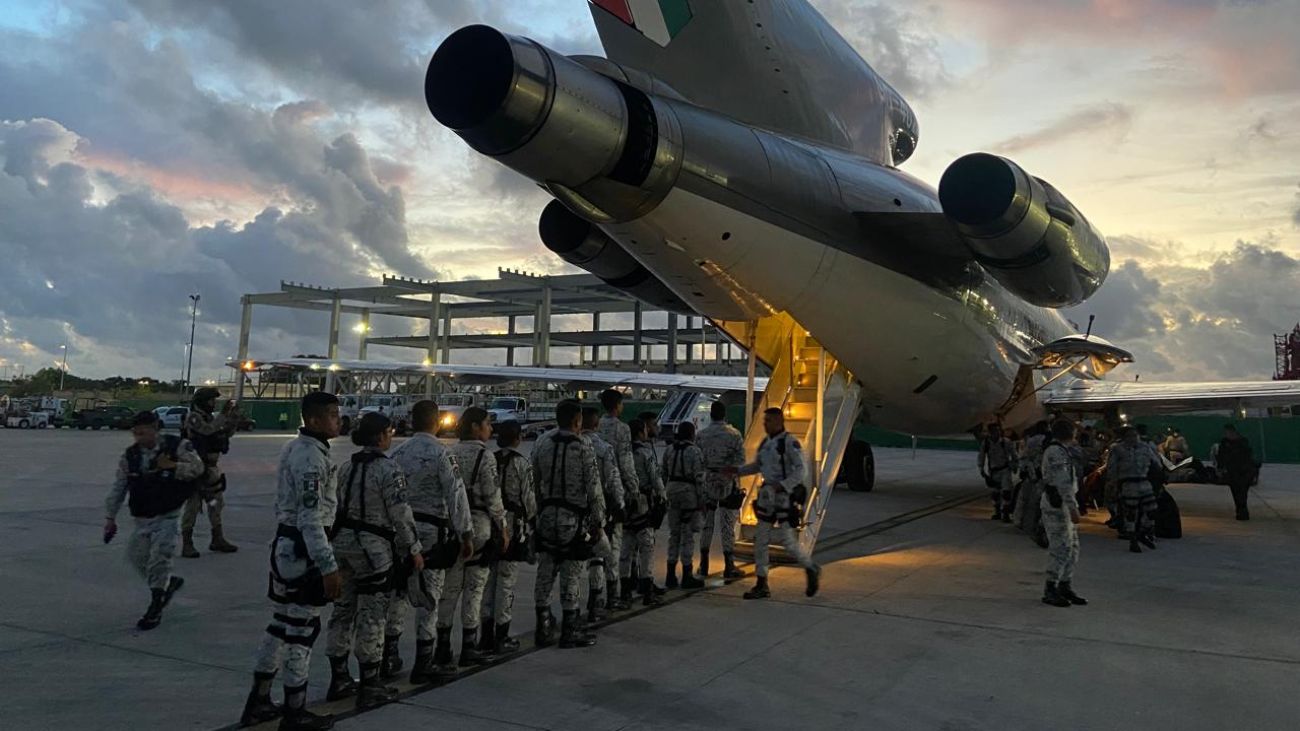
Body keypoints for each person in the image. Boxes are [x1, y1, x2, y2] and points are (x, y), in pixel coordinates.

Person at [239, 392, 343, 731]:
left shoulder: (297, 449)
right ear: (312, 420)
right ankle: (295, 711)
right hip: (303, 549)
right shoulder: (311, 458)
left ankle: (259, 699)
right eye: (331, 414)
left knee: (280, 623)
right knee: (302, 630)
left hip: (287, 546)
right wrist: (328, 566)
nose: (337, 420)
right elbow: (311, 518)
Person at [322, 413, 422, 710]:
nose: (391, 437)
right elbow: (400, 513)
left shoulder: (345, 468)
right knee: (372, 616)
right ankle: (370, 684)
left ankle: (339, 677)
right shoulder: (389, 470)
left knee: (342, 612)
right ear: (380, 437)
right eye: (389, 433)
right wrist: (413, 548)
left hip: (342, 546)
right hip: (373, 550)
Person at [387, 400, 474, 684]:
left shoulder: (396, 453)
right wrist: (465, 533)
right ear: (437, 422)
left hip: (401, 532)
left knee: (399, 592)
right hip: (431, 534)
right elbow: (456, 495)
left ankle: (389, 654)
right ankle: (424, 661)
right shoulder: (442, 454)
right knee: (428, 597)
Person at [103, 411, 203, 631]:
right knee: (137, 557)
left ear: (155, 428)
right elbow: (120, 486)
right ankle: (167, 585)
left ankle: (156, 605)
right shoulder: (131, 456)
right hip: (142, 518)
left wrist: (173, 467)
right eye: (136, 434)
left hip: (168, 515)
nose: (140, 438)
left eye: (144, 432)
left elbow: (198, 468)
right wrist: (110, 517)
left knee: (160, 558)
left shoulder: (176, 446)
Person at [532, 400, 605, 649]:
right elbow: (593, 488)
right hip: (572, 520)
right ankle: (569, 628)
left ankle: (542, 624)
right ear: (577, 421)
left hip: (547, 515)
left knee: (545, 571)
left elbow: (535, 479)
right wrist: (598, 521)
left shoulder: (542, 442)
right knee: (571, 574)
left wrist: (539, 511)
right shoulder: (583, 446)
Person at [440, 407, 509, 669]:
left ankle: (442, 647)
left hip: (453, 527)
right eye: (487, 424)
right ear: (475, 428)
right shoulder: (485, 456)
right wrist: (502, 527)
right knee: (474, 589)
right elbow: (492, 496)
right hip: (479, 526)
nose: (491, 429)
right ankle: (469, 645)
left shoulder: (448, 452)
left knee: (450, 589)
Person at [739, 408, 820, 600]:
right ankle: (761, 582)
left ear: (778, 421)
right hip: (767, 496)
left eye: (768, 421)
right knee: (761, 539)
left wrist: (782, 486)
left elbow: (801, 470)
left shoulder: (789, 443)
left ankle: (809, 567)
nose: (764, 424)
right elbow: (758, 466)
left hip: (783, 497)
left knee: (787, 541)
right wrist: (736, 471)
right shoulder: (766, 443)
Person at [478, 419, 536, 655]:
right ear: (518, 438)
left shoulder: (489, 459)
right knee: (506, 583)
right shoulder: (521, 464)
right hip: (512, 528)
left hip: (488, 526)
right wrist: (533, 521)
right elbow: (529, 499)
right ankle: (502, 635)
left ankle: (485, 635)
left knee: (487, 584)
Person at [180, 387, 241, 557]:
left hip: (211, 469)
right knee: (193, 505)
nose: (213, 404)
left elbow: (222, 434)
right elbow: (207, 430)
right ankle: (187, 542)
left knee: (215, 504)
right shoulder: (193, 417)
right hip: (195, 468)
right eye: (211, 400)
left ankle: (217, 538)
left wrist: (233, 418)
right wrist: (223, 415)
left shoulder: (210, 418)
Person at [580, 407, 626, 619]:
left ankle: (594, 598)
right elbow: (613, 479)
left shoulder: (572, 446)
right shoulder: (603, 448)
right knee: (609, 552)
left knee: (591, 557)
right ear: (596, 425)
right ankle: (610, 595)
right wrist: (621, 504)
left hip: (577, 510)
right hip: (603, 508)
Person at [596, 390, 638, 610]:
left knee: (595, 546)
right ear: (618, 405)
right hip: (613, 491)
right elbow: (626, 462)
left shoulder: (595, 428)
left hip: (592, 493)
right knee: (614, 544)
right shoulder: (622, 429)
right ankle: (613, 594)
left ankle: (597, 596)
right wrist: (633, 489)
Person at [695, 400, 746, 579]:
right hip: (727, 482)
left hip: (707, 481)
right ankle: (729, 565)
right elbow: (740, 462)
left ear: (711, 415)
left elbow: (698, 461)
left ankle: (704, 564)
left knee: (707, 524)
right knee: (727, 525)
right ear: (725, 415)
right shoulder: (734, 435)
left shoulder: (701, 435)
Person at [1039, 420, 1087, 608]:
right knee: (1061, 548)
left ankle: (1064, 584)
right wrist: (1073, 507)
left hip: (1063, 505)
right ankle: (1050, 588)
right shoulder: (1055, 452)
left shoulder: (1061, 450)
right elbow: (1062, 483)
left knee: (1072, 547)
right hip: (1057, 505)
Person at [622, 418, 666, 606]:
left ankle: (625, 591)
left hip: (625, 503)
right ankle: (647, 589)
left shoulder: (622, 453)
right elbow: (655, 477)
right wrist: (663, 497)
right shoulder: (644, 453)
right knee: (647, 547)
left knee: (626, 548)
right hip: (643, 503)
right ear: (641, 433)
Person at [662, 421, 706, 590]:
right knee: (687, 534)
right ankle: (687, 574)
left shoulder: (669, 449)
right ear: (691, 434)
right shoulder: (695, 451)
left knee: (674, 533)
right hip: (688, 494)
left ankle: (670, 574)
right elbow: (699, 478)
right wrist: (702, 501)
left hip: (672, 491)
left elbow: (663, 473)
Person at [1107, 427, 1158, 553]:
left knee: (1152, 510)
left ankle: (1143, 532)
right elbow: (1111, 468)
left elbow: (1156, 462)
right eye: (1129, 436)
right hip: (1128, 483)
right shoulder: (1117, 449)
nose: (1132, 438)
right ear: (1124, 437)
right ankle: (1133, 539)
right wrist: (1114, 484)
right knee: (1131, 513)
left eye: (1134, 435)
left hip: (1143, 481)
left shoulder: (1145, 447)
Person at [978, 424, 1019, 521]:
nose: (996, 433)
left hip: (1004, 469)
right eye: (993, 431)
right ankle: (997, 511)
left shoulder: (1006, 442)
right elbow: (981, 456)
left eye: (997, 431)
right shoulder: (986, 443)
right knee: (995, 492)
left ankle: (1005, 513)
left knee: (1006, 491)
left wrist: (1014, 467)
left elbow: (1014, 455)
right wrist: (981, 469)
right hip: (993, 471)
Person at [1217, 424, 1258, 521]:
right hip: (1233, 471)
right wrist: (1221, 468)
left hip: (1243, 471)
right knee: (1237, 492)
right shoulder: (1226, 442)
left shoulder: (1242, 442)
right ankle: (1241, 510)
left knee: (1242, 492)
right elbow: (1221, 456)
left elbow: (1247, 456)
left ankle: (1242, 511)